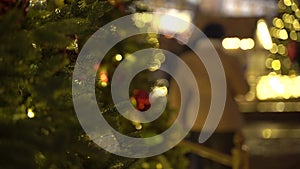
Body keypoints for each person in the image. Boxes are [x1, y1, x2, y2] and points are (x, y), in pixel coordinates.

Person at [167, 23, 249, 169]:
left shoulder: (188, 60)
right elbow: (243, 90)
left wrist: (175, 122)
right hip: (226, 121)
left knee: (199, 162)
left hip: (196, 120)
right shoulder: (229, 60)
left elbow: (177, 95)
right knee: (226, 163)